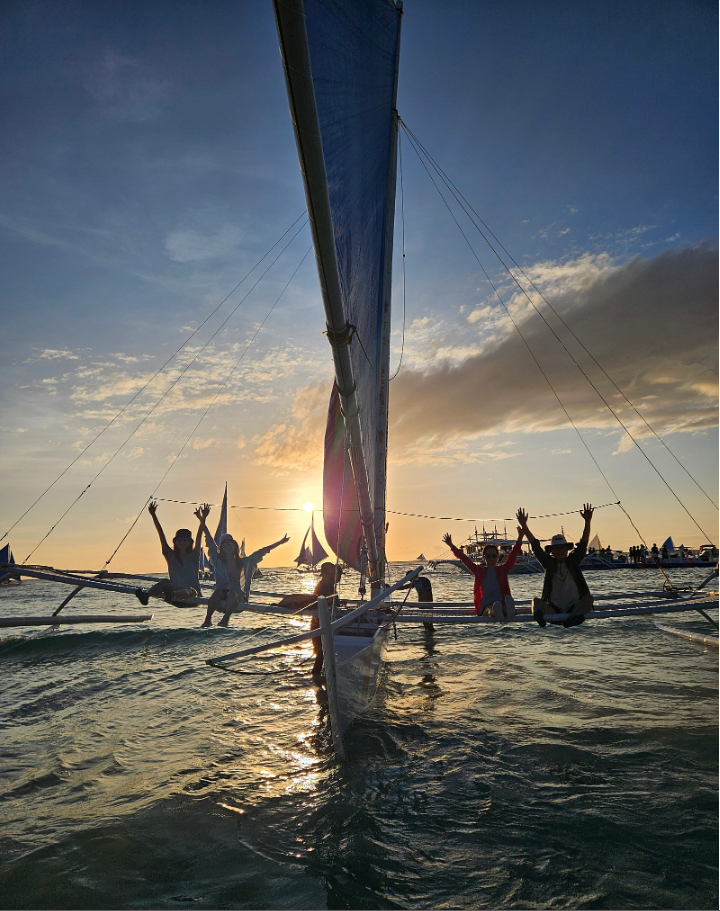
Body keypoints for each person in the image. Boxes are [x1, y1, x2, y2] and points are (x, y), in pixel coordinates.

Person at [197, 507, 289, 627]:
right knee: (217, 593)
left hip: (238, 595)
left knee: (231, 594)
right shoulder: (218, 561)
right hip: (222, 593)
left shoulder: (244, 562)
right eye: (224, 545)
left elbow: (262, 551)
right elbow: (209, 538)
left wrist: (280, 542)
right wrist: (202, 519)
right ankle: (207, 619)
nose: (227, 546)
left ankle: (225, 620)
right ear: (221, 549)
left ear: (235, 546)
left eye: (230, 544)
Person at [517, 504, 594, 629]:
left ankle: (573, 618)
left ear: (567, 550)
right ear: (551, 551)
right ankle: (540, 617)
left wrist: (587, 521)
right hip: (553, 610)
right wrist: (524, 525)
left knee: (589, 599)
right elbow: (535, 546)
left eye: (562, 548)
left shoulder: (573, 561)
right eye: (556, 548)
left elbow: (583, 543)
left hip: (574, 608)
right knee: (536, 602)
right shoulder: (549, 563)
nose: (559, 551)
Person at [441, 527, 525, 619]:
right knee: (492, 609)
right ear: (484, 558)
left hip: (502, 603)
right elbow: (464, 559)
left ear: (497, 557)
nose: (491, 558)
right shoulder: (479, 571)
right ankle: (506, 612)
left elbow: (513, 555)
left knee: (503, 607)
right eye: (488, 556)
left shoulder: (503, 570)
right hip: (486, 607)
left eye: (493, 556)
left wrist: (520, 537)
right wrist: (451, 545)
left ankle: (507, 611)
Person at [138, 501, 206, 606]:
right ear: (175, 541)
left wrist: (203, 518)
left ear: (189, 542)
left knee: (189, 590)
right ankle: (146, 596)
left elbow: (199, 535)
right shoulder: (170, 555)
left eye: (185, 540)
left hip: (192, 596)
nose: (182, 542)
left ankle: (171, 594)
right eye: (179, 539)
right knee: (165, 581)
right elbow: (161, 534)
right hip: (174, 599)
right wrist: (153, 515)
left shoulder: (193, 556)